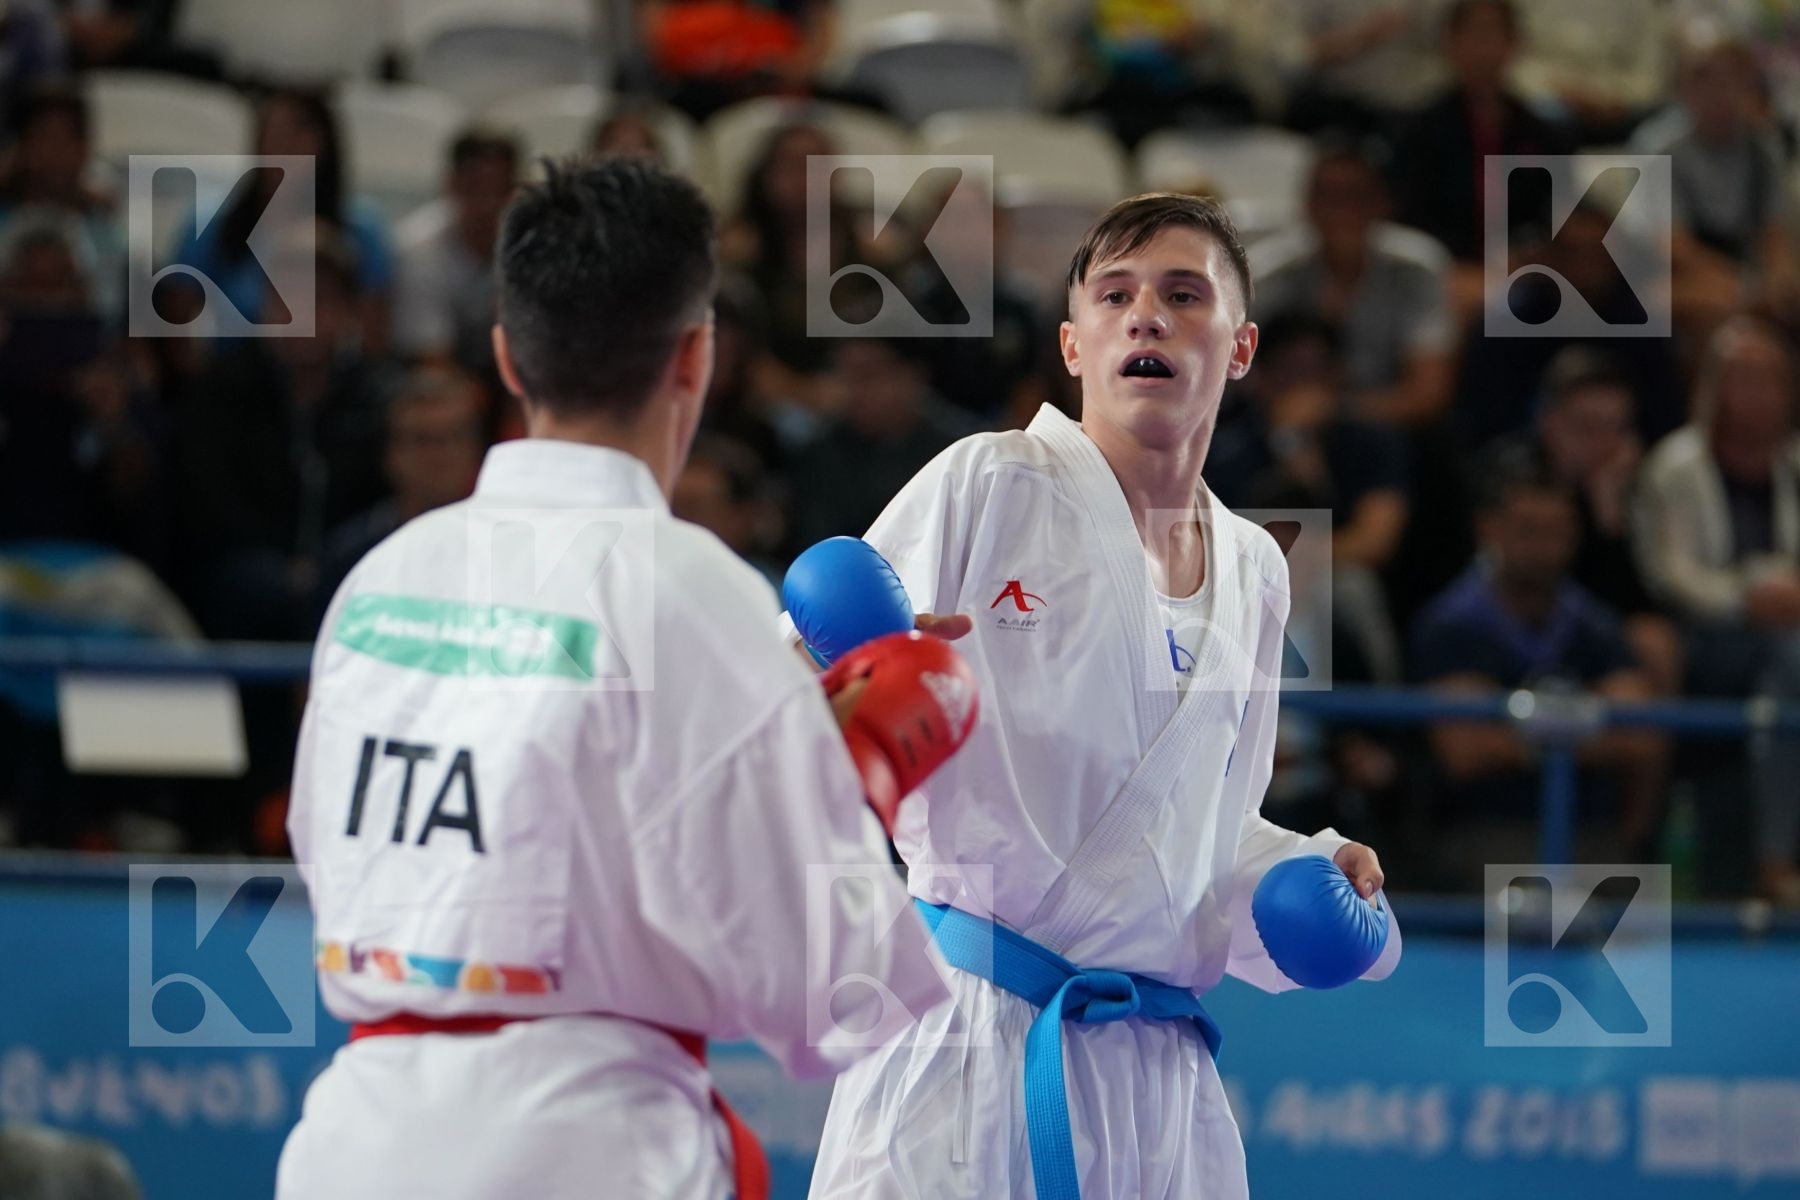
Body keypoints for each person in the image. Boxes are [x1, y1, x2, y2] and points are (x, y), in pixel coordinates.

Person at [277, 157, 955, 1199]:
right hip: (582, 1156)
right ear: (697, 356)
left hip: (346, 1145)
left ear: (505, 356)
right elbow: (839, 997)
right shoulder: (688, 594)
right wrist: (855, 773)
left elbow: (339, 860)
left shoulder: (382, 581)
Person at [805, 192, 1399, 1199]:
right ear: (1075, 347)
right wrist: (864, 680)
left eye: (1182, 295)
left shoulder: (1257, 566)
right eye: (1115, 296)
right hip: (966, 1041)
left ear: (1241, 348)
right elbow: (803, 693)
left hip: (1155, 1076)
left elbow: (1204, 819)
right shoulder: (989, 483)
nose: (1147, 316)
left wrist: (1302, 867)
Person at [1411, 451, 1665, 887]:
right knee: (1527, 902)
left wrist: (1520, 735)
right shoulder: (1452, 626)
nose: (1544, 549)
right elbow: (1466, 752)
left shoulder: (1592, 625)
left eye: (1557, 533)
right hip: (1489, 829)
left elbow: (1640, 738)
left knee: (1638, 916)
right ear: (1489, 529)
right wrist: (1582, 729)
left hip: (1588, 827)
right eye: (1528, 531)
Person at [1633, 317, 1800, 903]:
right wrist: (1748, 597)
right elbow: (1670, 572)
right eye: (1742, 379)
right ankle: (1775, 857)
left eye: (1769, 380)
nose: (1756, 396)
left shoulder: (1795, 465)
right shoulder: (1676, 466)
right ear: (1713, 388)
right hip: (1701, 633)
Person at [1250, 141, 1455, 426]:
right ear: (1306, 204)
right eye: (1329, 196)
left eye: (1355, 196)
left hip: (1384, 425)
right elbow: (1234, 373)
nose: (1341, 211)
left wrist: (1333, 410)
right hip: (1279, 417)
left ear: (1382, 203)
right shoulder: (1268, 273)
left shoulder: (1417, 270)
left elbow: (1428, 392)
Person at [391, 127, 519, 376]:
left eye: (498, 189)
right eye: (475, 188)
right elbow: (431, 359)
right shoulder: (418, 251)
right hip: (442, 381)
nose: (487, 204)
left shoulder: (536, 246)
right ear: (450, 183)